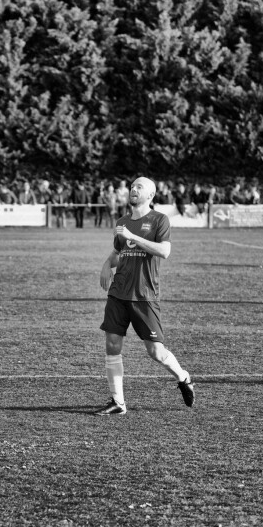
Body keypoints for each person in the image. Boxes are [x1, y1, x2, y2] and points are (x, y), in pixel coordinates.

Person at [93, 176, 194, 416]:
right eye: (132, 186)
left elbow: (164, 251)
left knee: (155, 352)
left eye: (139, 187)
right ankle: (118, 402)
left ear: (150, 195)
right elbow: (119, 251)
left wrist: (134, 237)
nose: (133, 190)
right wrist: (107, 264)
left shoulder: (159, 219)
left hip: (144, 294)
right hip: (119, 292)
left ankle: (183, 377)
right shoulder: (122, 221)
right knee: (112, 344)